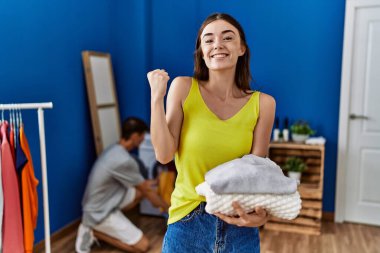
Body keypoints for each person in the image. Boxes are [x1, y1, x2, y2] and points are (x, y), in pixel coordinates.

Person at [147, 13, 275, 252]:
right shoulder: (183, 88)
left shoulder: (264, 104)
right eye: (209, 39)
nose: (217, 44)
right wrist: (157, 98)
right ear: (201, 51)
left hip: (240, 223)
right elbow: (164, 155)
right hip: (187, 223)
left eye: (227, 38)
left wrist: (262, 216)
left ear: (241, 48)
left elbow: (259, 173)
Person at [75, 117, 169, 253]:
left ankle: (109, 224)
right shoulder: (125, 161)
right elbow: (149, 193)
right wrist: (169, 208)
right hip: (98, 212)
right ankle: (93, 231)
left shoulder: (115, 149)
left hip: (102, 200)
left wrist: (155, 182)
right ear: (135, 136)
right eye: (143, 136)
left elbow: (143, 187)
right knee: (143, 246)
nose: (143, 140)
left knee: (140, 192)